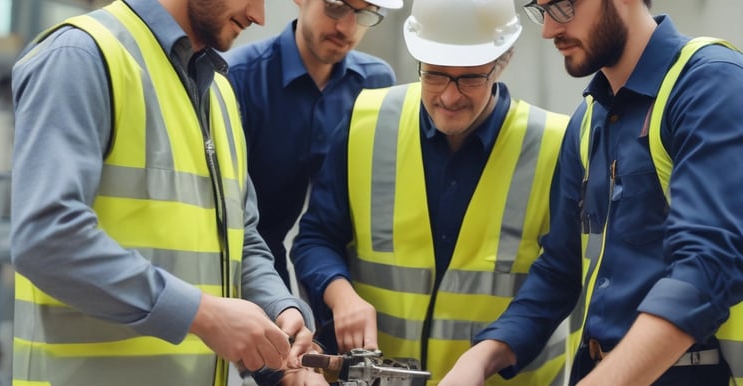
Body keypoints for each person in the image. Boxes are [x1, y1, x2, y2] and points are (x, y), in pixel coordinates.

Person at [9, 0, 322, 385]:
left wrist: (280, 308)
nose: (259, 16)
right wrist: (204, 315)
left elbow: (242, 238)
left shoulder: (220, 92)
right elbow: (47, 239)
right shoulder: (80, 56)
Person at [439, 1, 743, 385]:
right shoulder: (586, 120)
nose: (548, 30)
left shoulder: (712, 83)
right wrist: (481, 357)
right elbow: (559, 270)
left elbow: (709, 264)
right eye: (540, 10)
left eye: (562, 6)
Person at [290, 0, 571, 384]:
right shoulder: (366, 121)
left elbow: (559, 279)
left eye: (470, 78)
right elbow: (316, 237)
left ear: (503, 62)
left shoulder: (555, 145)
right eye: (435, 75)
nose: (450, 97)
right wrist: (341, 295)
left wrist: (486, 358)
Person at [222, 0, 401, 291]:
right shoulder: (235, 79)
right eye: (335, 6)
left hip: (336, 272)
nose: (347, 28)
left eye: (365, 13)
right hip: (242, 264)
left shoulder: (375, 85)